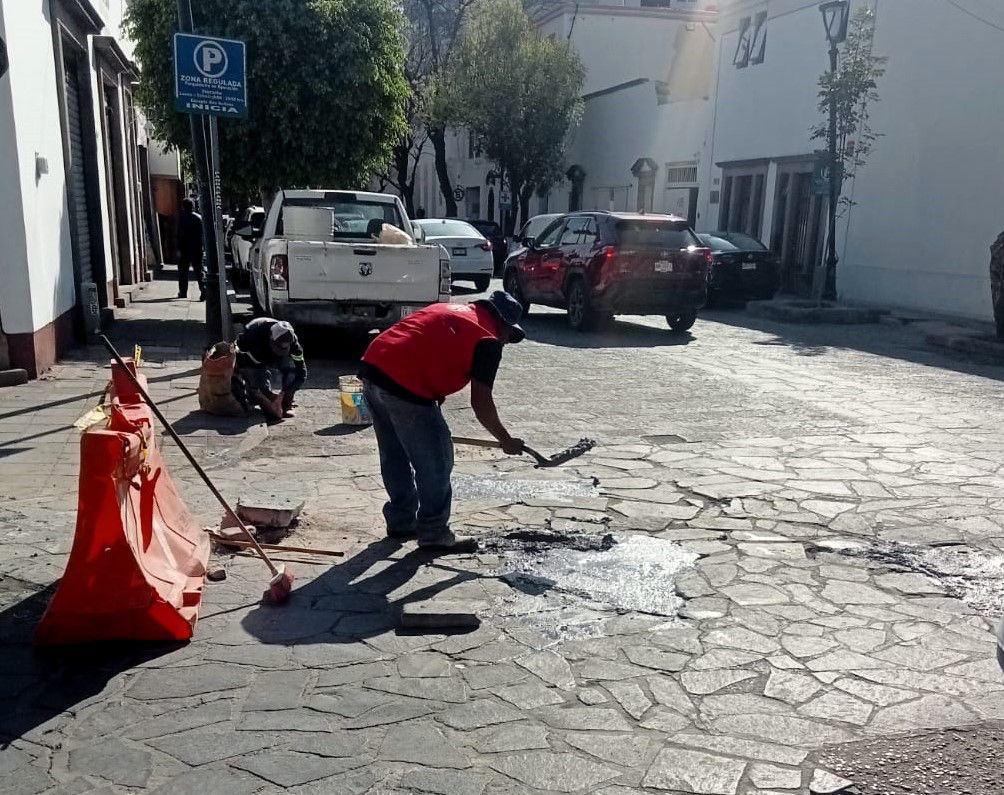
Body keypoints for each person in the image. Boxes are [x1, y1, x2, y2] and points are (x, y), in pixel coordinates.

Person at [358, 291, 525, 553]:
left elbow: (424, 344)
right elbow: (481, 402)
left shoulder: (448, 310)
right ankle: (434, 531)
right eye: (509, 336)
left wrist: (434, 392)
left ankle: (401, 520)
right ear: (502, 324)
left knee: (395, 453)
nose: (507, 342)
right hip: (404, 384)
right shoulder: (487, 339)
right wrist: (505, 439)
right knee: (437, 458)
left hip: (373, 368)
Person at [233, 318, 307, 423]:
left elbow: (301, 373)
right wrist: (260, 391)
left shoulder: (294, 345)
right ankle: (263, 396)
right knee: (256, 392)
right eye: (278, 347)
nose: (280, 351)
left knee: (291, 371)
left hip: (270, 356)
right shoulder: (252, 336)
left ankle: (286, 404)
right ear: (270, 338)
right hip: (256, 357)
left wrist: (286, 392)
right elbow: (241, 363)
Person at [176, 198, 205, 300]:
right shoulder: (199, 218)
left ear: (184, 207)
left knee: (183, 272)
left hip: (185, 249)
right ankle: (203, 290)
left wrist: (179, 249)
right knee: (199, 271)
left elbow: (180, 235)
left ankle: (183, 292)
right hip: (197, 248)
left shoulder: (182, 218)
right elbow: (203, 235)